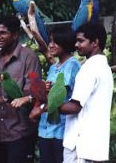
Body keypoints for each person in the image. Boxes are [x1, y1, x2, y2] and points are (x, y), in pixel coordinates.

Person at [0, 15, 41, 163]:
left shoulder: (30, 57)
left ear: (15, 34)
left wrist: (4, 99)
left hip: (20, 131)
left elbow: (36, 92)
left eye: (3, 33)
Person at [59, 23, 114, 163]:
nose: (76, 45)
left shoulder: (89, 69)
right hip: (94, 145)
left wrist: (46, 106)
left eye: (81, 41)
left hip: (80, 145)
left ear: (95, 42)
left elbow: (75, 107)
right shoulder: (103, 67)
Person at [32, 26, 81, 163]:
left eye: (55, 42)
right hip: (45, 128)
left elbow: (58, 95)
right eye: (50, 41)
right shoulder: (54, 67)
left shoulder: (72, 65)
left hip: (61, 129)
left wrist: (39, 109)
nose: (50, 45)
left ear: (65, 43)